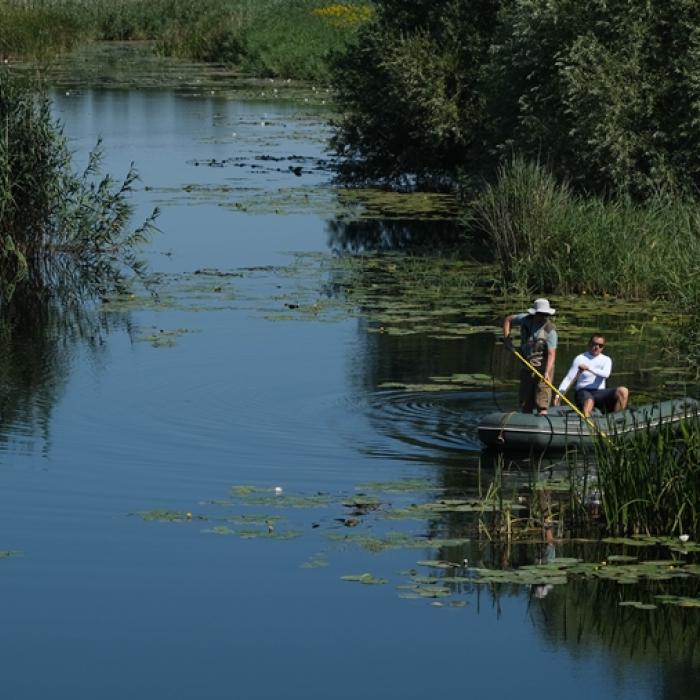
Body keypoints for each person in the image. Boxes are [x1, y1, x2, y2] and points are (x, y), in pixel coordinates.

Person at [502, 298, 558, 415]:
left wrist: (547, 372)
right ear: (534, 313)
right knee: (526, 402)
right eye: (540, 314)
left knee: (542, 400)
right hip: (527, 364)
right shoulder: (525, 319)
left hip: (544, 367)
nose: (542, 317)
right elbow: (508, 320)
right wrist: (507, 339)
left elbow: (552, 354)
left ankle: (543, 416)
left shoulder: (551, 331)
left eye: (545, 314)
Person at [553, 334, 629, 416]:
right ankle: (587, 424)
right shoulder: (580, 358)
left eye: (600, 345)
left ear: (603, 347)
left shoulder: (606, 360)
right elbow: (569, 378)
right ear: (589, 344)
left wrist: (588, 368)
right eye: (594, 344)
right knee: (589, 401)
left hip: (599, 393)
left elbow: (606, 374)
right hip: (583, 391)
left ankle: (616, 421)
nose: (597, 347)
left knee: (623, 391)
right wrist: (558, 395)